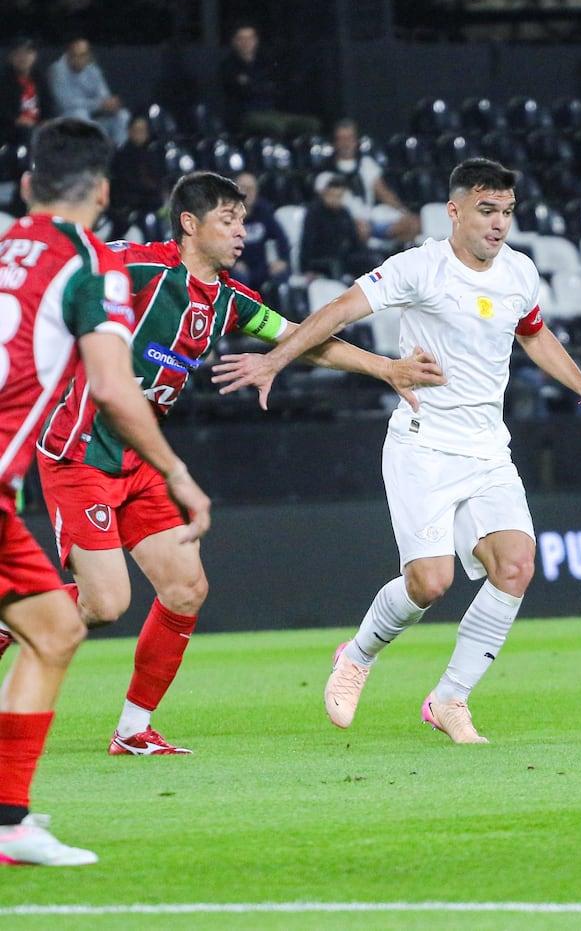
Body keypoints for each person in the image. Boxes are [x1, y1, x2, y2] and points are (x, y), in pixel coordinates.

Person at [212, 158, 581, 744]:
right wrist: (274, 359)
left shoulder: (519, 273)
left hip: (488, 449)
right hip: (424, 445)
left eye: (507, 213)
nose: (499, 225)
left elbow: (533, 333)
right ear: (454, 211)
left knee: (515, 566)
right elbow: (338, 311)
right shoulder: (418, 268)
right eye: (487, 211)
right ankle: (358, 655)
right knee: (429, 584)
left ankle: (449, 699)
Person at [35, 171, 444, 757]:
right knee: (104, 605)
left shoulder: (227, 300)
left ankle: (132, 730)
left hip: (143, 456)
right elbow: (55, 276)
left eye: (244, 221)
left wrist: (387, 368)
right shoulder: (135, 268)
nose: (242, 233)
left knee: (185, 588)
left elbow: (305, 339)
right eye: (229, 220)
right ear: (190, 224)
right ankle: (14, 613)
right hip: (81, 448)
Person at [0, 118, 210, 865]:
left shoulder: (4, 247)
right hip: (46, 469)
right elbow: (116, 388)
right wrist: (178, 472)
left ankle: (10, 822)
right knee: (70, 621)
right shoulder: (92, 265)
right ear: (103, 190)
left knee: (58, 627)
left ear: (27, 186)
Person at [320, 119, 422, 245]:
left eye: (349, 138)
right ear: (335, 142)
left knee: (414, 223)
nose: (346, 144)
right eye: (342, 139)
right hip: (348, 225)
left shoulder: (366, 164)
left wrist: (403, 211)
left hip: (372, 218)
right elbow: (332, 206)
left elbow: (383, 193)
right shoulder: (326, 173)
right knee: (360, 229)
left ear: (356, 141)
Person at [219, 23, 320, 139]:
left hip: (272, 111)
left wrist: (255, 85)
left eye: (250, 38)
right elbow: (243, 91)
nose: (246, 42)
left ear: (256, 40)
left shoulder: (265, 63)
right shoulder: (229, 66)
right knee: (276, 126)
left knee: (311, 123)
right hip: (245, 115)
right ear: (235, 41)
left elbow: (277, 87)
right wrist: (260, 87)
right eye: (242, 39)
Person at [48, 38, 130, 146]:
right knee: (80, 114)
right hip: (66, 123)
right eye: (75, 55)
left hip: (94, 119)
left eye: (83, 55)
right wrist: (99, 104)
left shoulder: (93, 69)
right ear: (68, 54)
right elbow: (66, 104)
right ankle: (86, 158)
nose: (79, 59)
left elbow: (104, 96)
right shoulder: (57, 71)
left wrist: (110, 104)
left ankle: (118, 156)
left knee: (123, 116)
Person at [232, 171, 291, 300]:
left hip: (262, 265)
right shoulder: (227, 214)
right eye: (244, 188)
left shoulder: (264, 211)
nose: (249, 192)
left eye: (252, 189)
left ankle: (282, 316)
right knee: (239, 278)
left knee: (281, 274)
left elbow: (281, 239)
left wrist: (282, 260)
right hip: (236, 266)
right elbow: (218, 245)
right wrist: (233, 263)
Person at [108, 115, 165, 239]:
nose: (140, 134)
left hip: (152, 205)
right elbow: (124, 187)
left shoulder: (153, 154)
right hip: (129, 211)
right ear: (129, 131)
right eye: (136, 130)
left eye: (143, 131)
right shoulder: (121, 156)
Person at [301, 174, 365, 279]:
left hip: (343, 256)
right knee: (336, 264)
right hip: (321, 259)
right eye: (332, 196)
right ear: (325, 194)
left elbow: (354, 241)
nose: (335, 200)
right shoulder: (314, 213)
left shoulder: (344, 213)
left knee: (370, 259)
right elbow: (307, 244)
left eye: (339, 197)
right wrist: (307, 269)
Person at [0, 37, 52, 145]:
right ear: (11, 57)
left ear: (34, 56)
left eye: (28, 53)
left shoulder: (40, 79)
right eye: (19, 53)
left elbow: (49, 105)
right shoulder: (4, 81)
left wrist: (47, 121)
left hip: (38, 126)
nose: (23, 58)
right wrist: (16, 119)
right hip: (13, 130)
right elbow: (3, 110)